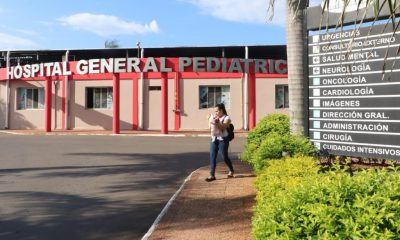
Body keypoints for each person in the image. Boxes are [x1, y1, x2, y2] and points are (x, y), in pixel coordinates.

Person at [205, 103, 234, 182]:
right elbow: (211, 128)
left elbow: (223, 128)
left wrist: (216, 122)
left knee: (224, 157)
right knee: (212, 156)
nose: (215, 113)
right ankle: (212, 175)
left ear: (221, 110)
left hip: (223, 140)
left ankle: (231, 170)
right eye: (215, 111)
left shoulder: (227, 118)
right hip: (214, 139)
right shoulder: (215, 117)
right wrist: (209, 119)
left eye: (217, 111)